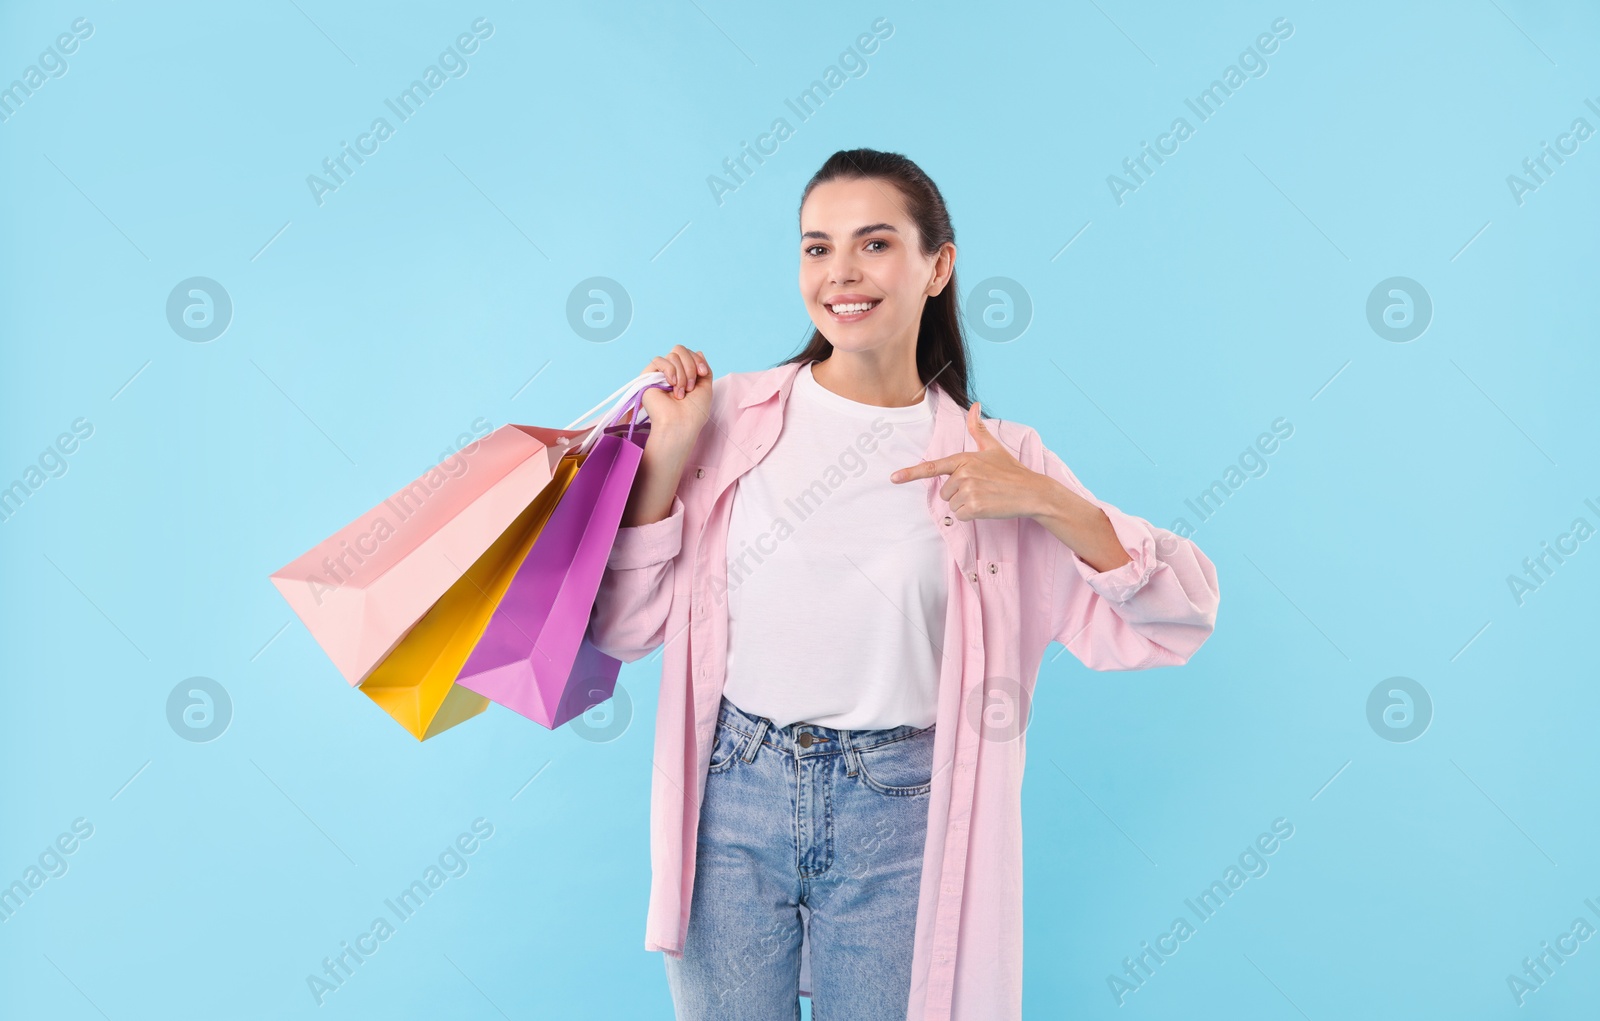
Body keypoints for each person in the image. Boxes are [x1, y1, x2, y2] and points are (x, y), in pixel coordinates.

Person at [587, 148, 1221, 1020]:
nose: (841, 273)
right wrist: (665, 456)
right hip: (733, 793)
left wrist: (1049, 503)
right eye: (817, 248)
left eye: (874, 243)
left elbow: (1180, 616)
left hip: (903, 814)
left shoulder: (995, 458)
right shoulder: (727, 418)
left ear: (937, 265)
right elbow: (623, 629)